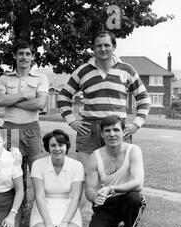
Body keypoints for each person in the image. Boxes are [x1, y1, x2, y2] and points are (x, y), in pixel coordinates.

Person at [57, 30, 151, 172]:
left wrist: (137, 124)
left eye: (106, 45)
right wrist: (72, 121)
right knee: (89, 176)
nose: (102, 49)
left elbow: (144, 98)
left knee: (117, 175)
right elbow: (63, 96)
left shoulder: (127, 70)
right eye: (98, 46)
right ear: (93, 48)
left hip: (116, 128)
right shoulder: (83, 71)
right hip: (88, 129)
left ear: (114, 47)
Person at [0, 40, 48, 209]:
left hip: (31, 128)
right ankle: (12, 212)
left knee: (37, 174)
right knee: (8, 173)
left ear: (33, 57)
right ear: (15, 56)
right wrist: (24, 95)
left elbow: (40, 104)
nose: (24, 57)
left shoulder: (41, 77)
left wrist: (12, 100)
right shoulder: (4, 78)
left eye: (28, 54)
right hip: (9, 128)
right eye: (20, 54)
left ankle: (39, 214)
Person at [85, 115, 146, 227]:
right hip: (107, 205)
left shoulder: (133, 151)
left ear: (123, 132)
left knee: (135, 198)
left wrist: (111, 189)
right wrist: (96, 197)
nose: (112, 134)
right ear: (101, 134)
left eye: (116, 130)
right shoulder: (94, 157)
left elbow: (138, 183)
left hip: (127, 201)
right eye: (107, 131)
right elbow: (89, 188)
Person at [30, 130, 84, 227]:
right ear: (47, 148)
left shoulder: (77, 166)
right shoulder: (38, 165)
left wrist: (65, 223)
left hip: (68, 208)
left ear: (67, 146)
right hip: (43, 209)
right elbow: (39, 196)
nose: (57, 149)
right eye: (53, 145)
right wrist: (48, 223)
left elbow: (76, 198)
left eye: (61, 145)